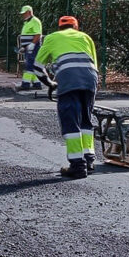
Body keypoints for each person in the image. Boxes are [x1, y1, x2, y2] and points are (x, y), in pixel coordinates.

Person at [33, 16, 98, 179]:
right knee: (86, 120)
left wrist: (50, 83)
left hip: (69, 80)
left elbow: (37, 68)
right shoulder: (85, 37)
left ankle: (77, 166)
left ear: (59, 28)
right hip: (90, 79)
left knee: (71, 122)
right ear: (76, 27)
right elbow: (94, 65)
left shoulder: (52, 37)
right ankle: (89, 160)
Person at [16, 5, 43, 91]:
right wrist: (24, 47)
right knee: (32, 65)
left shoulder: (35, 21)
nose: (23, 15)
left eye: (24, 13)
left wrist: (32, 44)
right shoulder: (27, 22)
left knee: (29, 65)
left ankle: (25, 84)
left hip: (33, 47)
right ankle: (37, 83)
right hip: (29, 47)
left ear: (29, 12)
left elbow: (38, 34)